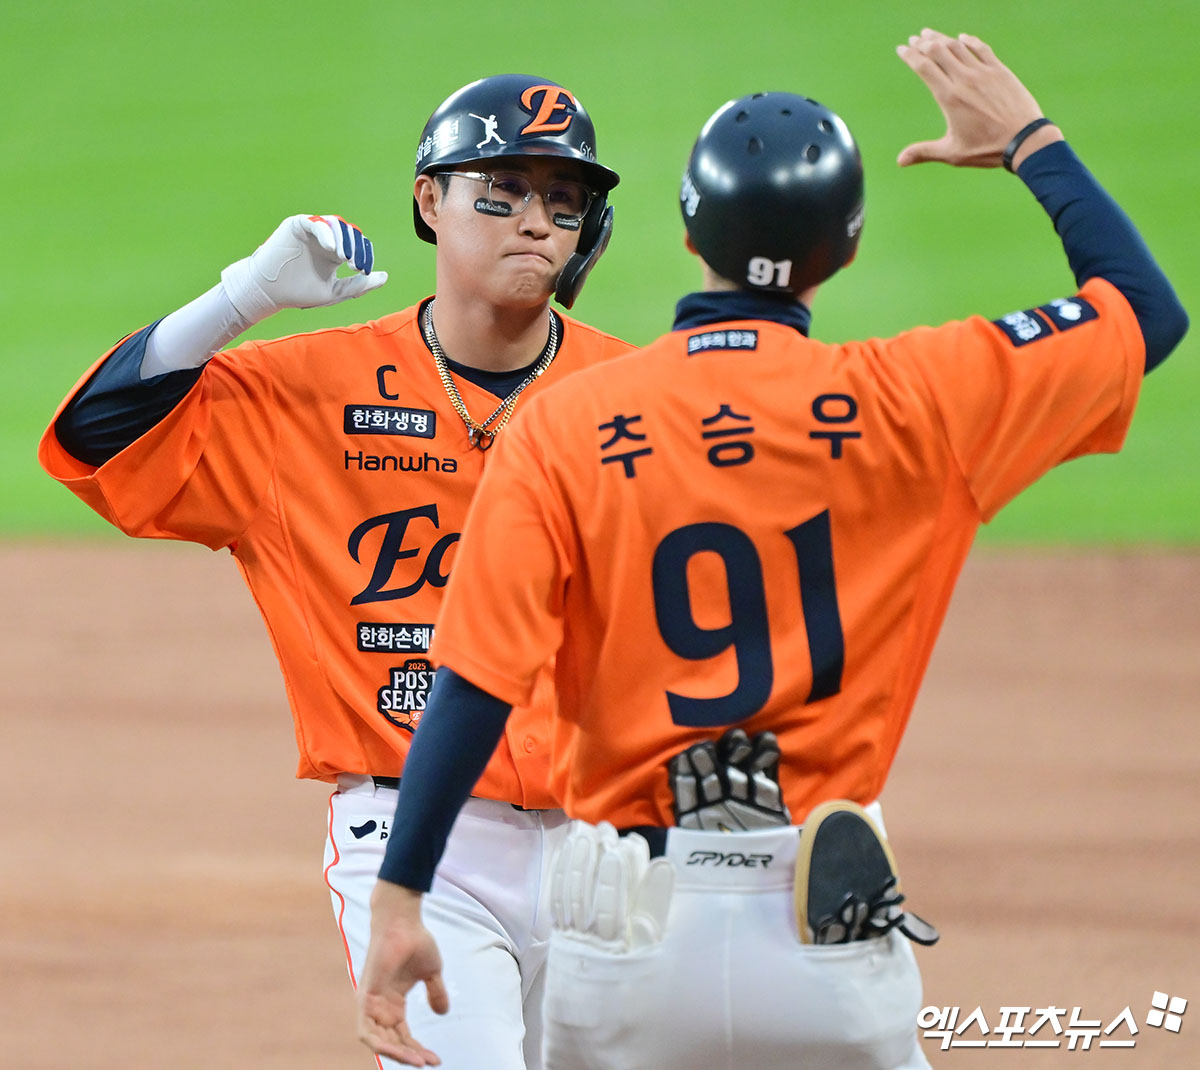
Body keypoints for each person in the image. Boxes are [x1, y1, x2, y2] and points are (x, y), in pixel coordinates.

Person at [354, 28, 1188, 1070]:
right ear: (845, 249)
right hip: (824, 937)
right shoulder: (919, 399)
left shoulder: (565, 425)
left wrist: (401, 895)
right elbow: (1146, 312)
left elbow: (474, 682)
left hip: (627, 944)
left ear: (688, 227)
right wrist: (1030, 140)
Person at [39, 75, 632, 1069]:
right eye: (501, 191)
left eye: (563, 199)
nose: (535, 220)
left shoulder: (631, 394)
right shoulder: (304, 397)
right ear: (428, 200)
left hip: (613, 844)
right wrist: (242, 297)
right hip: (416, 846)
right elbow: (95, 435)